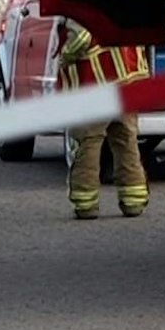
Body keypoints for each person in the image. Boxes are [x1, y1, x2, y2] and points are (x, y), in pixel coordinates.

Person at [57, 17, 151, 220]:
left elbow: (81, 37)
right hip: (127, 81)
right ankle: (133, 201)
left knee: (88, 143)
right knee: (126, 140)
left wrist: (64, 55)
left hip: (96, 85)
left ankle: (85, 204)